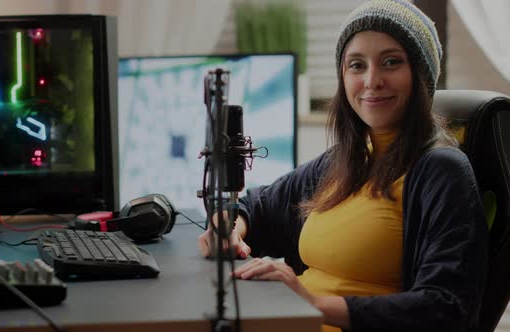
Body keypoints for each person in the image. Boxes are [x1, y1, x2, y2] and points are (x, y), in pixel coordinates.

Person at [198, 0, 488, 331]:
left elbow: (447, 307)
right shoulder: (344, 160)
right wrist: (228, 227)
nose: (372, 80)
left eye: (391, 62)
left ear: (420, 76)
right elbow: (258, 205)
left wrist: (312, 305)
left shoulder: (441, 170)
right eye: (356, 65)